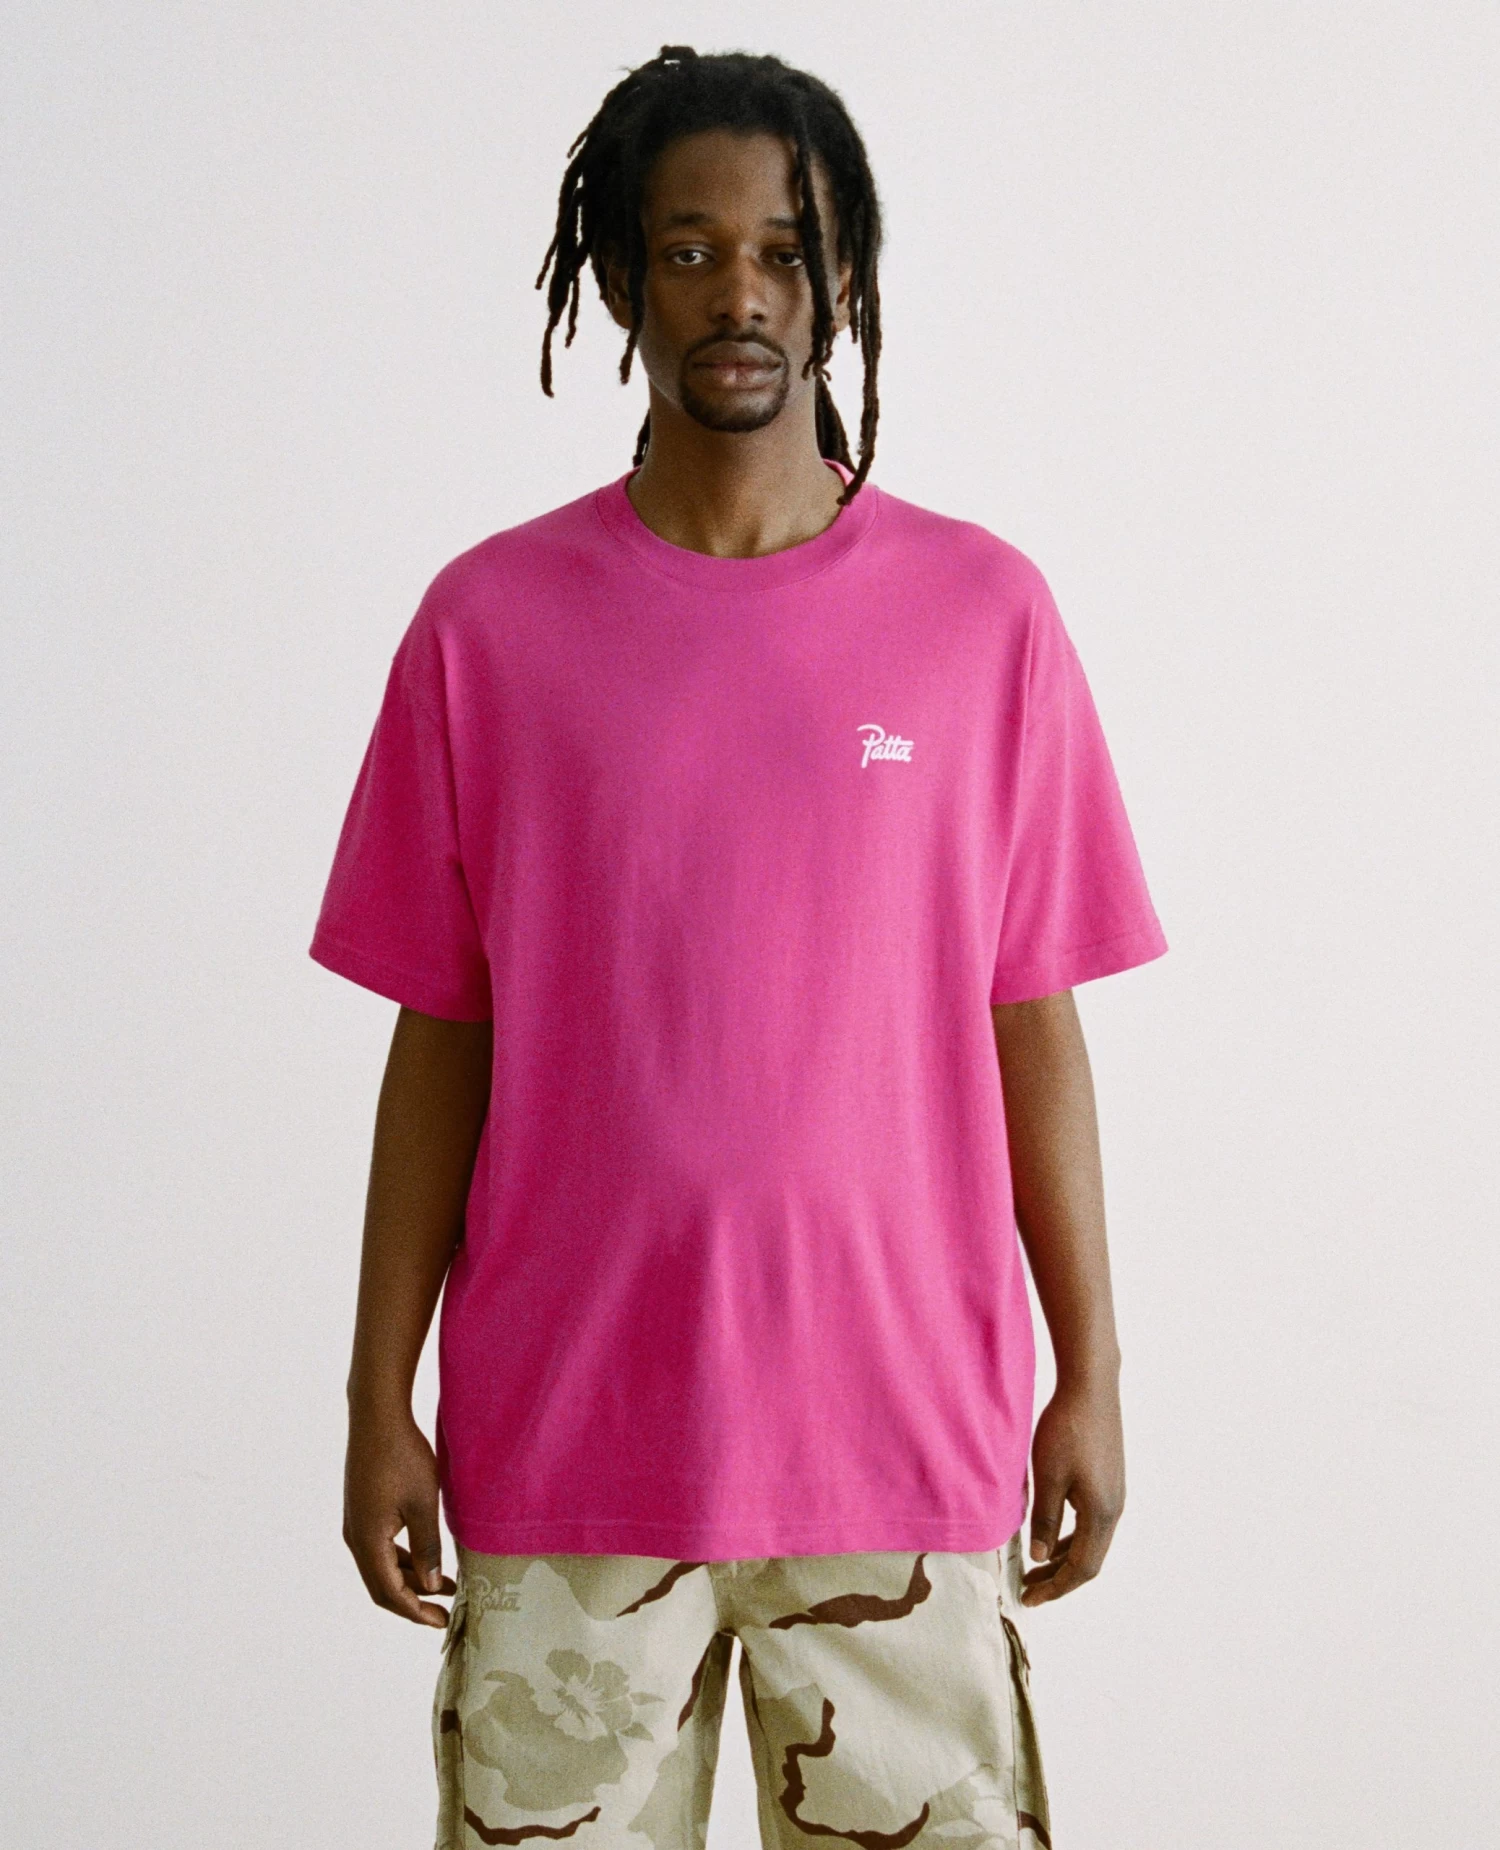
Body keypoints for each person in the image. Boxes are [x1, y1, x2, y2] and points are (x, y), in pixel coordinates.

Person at [310, 44, 1166, 1850]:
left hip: (902, 1451)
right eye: (691, 250)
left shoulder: (984, 617)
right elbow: (441, 1036)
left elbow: (1033, 1019)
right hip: (569, 1454)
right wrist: (379, 1389)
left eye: (788, 249)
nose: (743, 292)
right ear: (622, 278)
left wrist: (1091, 1370)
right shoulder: (489, 627)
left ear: (843, 279)